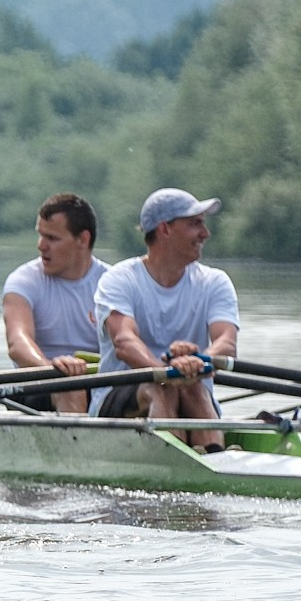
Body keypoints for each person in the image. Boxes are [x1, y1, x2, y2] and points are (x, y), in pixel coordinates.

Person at [92, 187, 239, 450]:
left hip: (192, 389)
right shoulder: (119, 279)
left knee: (192, 387)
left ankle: (212, 457)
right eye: (195, 224)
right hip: (118, 397)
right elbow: (124, 342)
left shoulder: (215, 282)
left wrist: (200, 361)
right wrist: (167, 374)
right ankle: (182, 461)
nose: (205, 233)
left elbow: (226, 343)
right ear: (165, 229)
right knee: (162, 387)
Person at [1, 192, 109, 413]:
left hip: (101, 383)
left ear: (83, 240)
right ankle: (81, 445)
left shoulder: (112, 284)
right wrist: (52, 369)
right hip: (38, 384)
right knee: (70, 387)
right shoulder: (24, 281)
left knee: (161, 389)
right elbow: (18, 343)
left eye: (52, 238)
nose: (41, 246)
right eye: (41, 235)